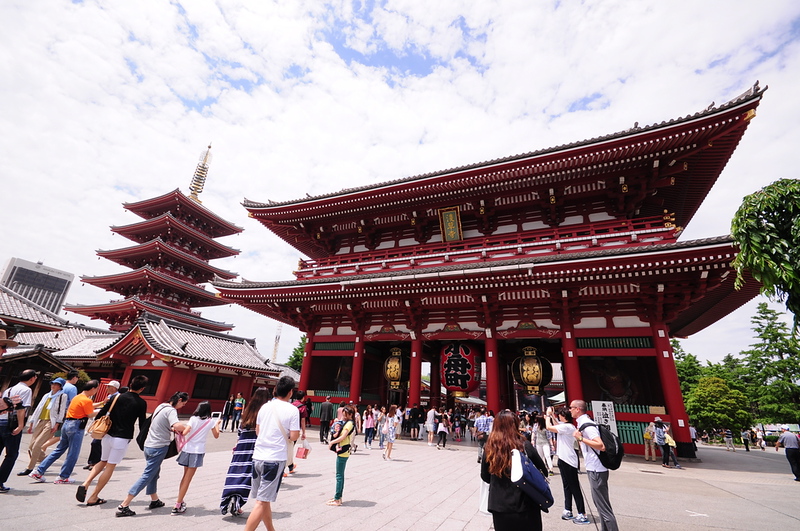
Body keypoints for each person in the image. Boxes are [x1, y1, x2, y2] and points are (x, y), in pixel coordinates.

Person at [116, 391, 189, 517]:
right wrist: (189, 427)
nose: (182, 406)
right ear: (180, 400)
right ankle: (124, 505)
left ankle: (154, 500)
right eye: (183, 404)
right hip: (158, 447)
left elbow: (161, 424)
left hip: (148, 445)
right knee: (148, 475)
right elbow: (177, 425)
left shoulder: (161, 406)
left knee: (153, 473)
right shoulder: (171, 411)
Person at [78, 375, 148, 506]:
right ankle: (94, 496)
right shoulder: (141, 403)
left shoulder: (115, 397)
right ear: (142, 388)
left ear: (130, 384)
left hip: (107, 434)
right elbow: (143, 423)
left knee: (102, 461)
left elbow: (101, 413)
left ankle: (86, 482)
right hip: (122, 437)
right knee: (110, 466)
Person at [244, 376, 300, 531]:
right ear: (290, 392)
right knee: (261, 502)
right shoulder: (292, 410)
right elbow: (294, 436)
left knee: (263, 499)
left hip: (258, 457)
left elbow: (258, 430)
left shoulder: (264, 407)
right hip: (275, 459)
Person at [480, 410, 548, 531]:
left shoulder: (489, 448)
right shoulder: (524, 445)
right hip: (526, 503)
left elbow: (485, 476)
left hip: (500, 505)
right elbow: (543, 470)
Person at [30, 379, 99, 485]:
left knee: (59, 449)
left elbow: (87, 408)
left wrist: (102, 404)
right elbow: (90, 414)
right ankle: (63, 476)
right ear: (93, 389)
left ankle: (39, 471)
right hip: (76, 426)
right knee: (73, 453)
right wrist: (102, 411)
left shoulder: (78, 397)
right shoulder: (87, 400)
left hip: (67, 424)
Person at [221, 387, 272, 516]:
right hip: (255, 447)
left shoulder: (248, 410)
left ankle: (230, 497)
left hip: (241, 446)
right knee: (248, 475)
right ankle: (238, 500)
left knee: (236, 472)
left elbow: (240, 430)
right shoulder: (266, 411)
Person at [572, 400, 619, 531]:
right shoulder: (583, 423)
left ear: (577, 409)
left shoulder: (588, 426)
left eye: (571, 408)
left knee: (603, 507)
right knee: (599, 504)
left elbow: (601, 446)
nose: (569, 410)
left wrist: (580, 438)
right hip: (594, 468)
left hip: (597, 469)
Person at [172, 401, 222, 514]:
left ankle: (180, 500)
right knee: (188, 479)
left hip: (187, 449)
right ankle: (177, 505)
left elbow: (184, 433)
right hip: (197, 451)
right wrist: (217, 424)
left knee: (184, 477)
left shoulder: (193, 418)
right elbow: (216, 435)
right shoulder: (211, 421)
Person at [546, 406, 589, 524]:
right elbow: (556, 424)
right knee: (567, 486)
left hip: (569, 460)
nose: (558, 416)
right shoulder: (566, 426)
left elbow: (549, 427)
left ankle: (582, 513)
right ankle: (568, 509)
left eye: (560, 415)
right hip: (563, 459)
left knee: (574, 487)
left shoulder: (568, 427)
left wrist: (548, 415)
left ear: (563, 416)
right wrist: (552, 416)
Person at [17, 377, 68, 477]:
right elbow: (38, 409)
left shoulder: (62, 396)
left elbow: (61, 411)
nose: (53, 385)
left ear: (60, 386)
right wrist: (32, 423)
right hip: (40, 421)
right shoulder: (46, 395)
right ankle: (45, 461)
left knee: (37, 445)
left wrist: (57, 424)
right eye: (52, 383)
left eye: (56, 384)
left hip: (50, 422)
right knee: (31, 446)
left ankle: (30, 468)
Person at [0, 368, 37, 492]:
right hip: (12, 424)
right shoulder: (26, 390)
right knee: (11, 454)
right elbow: (21, 408)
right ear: (32, 378)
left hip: (1, 420)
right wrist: (21, 425)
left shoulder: (8, 389)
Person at [85, 380, 121, 470]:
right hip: (103, 421)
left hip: (108, 422)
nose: (107, 388)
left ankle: (96, 462)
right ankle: (92, 461)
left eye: (109, 387)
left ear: (114, 388)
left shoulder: (117, 397)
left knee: (97, 442)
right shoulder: (109, 396)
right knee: (96, 441)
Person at [326, 404, 355, 506]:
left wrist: (332, 442)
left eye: (346, 415)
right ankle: (338, 496)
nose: (344, 416)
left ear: (351, 414)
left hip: (343, 450)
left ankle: (337, 498)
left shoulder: (349, 424)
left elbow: (343, 437)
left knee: (339, 475)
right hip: (343, 450)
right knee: (340, 475)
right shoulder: (347, 422)